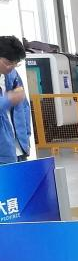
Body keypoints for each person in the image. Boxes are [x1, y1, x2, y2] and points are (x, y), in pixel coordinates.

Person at [0, 36, 31, 165]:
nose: (11, 67)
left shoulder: (13, 76)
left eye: (15, 63)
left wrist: (26, 137)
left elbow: (24, 107)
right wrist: (8, 99)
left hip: (19, 149)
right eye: (7, 62)